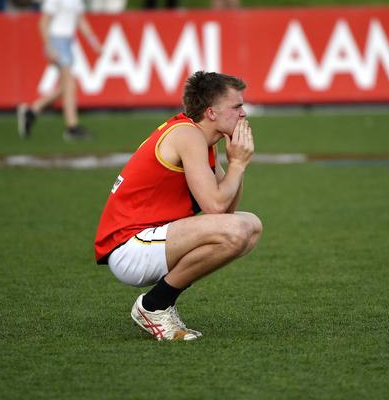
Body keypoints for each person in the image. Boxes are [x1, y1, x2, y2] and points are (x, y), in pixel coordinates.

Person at [94, 71, 263, 341]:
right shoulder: (188, 135)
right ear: (211, 112)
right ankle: (154, 306)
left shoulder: (203, 139)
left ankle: (159, 303)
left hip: (149, 240)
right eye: (236, 106)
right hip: (129, 247)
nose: (244, 113)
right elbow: (216, 208)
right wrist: (238, 165)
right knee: (237, 229)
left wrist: (236, 165)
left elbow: (226, 210)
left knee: (250, 226)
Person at [17, 0, 101, 141]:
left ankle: (33, 110)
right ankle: (71, 127)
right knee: (70, 84)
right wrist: (49, 46)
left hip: (68, 42)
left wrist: (93, 42)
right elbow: (43, 23)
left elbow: (80, 20)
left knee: (67, 85)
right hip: (57, 40)